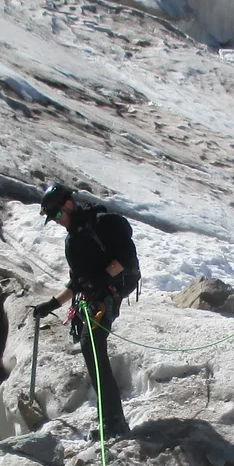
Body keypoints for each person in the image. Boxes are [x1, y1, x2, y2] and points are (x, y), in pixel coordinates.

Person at [31, 183, 139, 438]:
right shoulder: (74, 241)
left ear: (69, 204)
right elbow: (77, 282)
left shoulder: (102, 224)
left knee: (91, 344)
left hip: (111, 290)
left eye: (57, 214)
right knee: (91, 345)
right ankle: (111, 420)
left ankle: (113, 423)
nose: (57, 221)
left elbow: (126, 258)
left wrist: (101, 279)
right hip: (97, 293)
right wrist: (53, 304)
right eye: (53, 218)